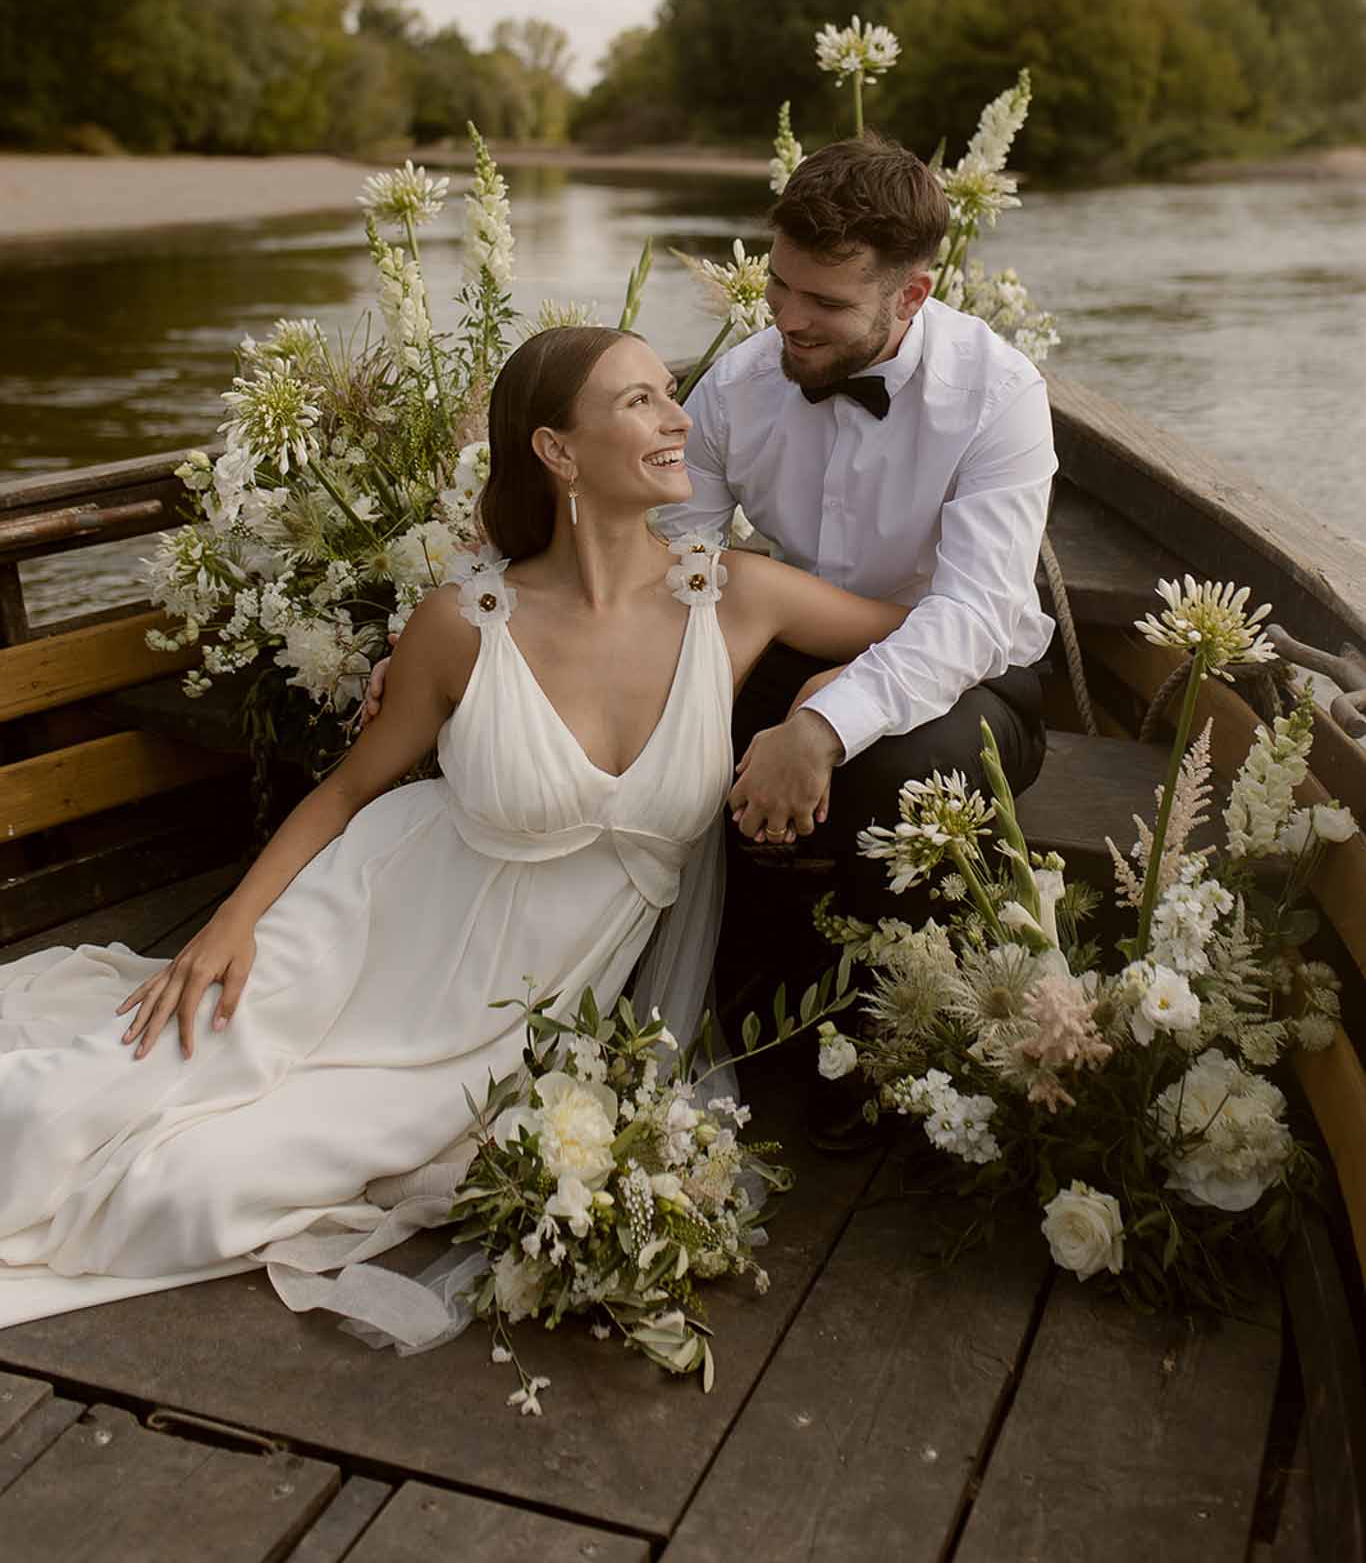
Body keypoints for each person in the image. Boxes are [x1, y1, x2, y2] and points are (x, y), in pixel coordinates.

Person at [0, 326, 907, 1341]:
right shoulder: (464, 621)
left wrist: (819, 716)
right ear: (558, 451)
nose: (677, 418)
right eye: (639, 401)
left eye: (669, 394)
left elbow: (920, 629)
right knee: (54, 1112)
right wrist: (231, 923)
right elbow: (346, 791)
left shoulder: (733, 594)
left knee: (192, 1189)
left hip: (510, 1017)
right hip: (370, 930)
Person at [651, 134, 1057, 1094]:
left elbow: (972, 615)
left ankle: (873, 1047)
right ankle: (740, 982)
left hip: (974, 678)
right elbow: (667, 563)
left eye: (824, 303)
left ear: (911, 296)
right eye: (779, 288)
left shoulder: (1000, 396)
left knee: (902, 768)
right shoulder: (738, 386)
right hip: (797, 640)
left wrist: (831, 720)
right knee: (683, 722)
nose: (788, 320)